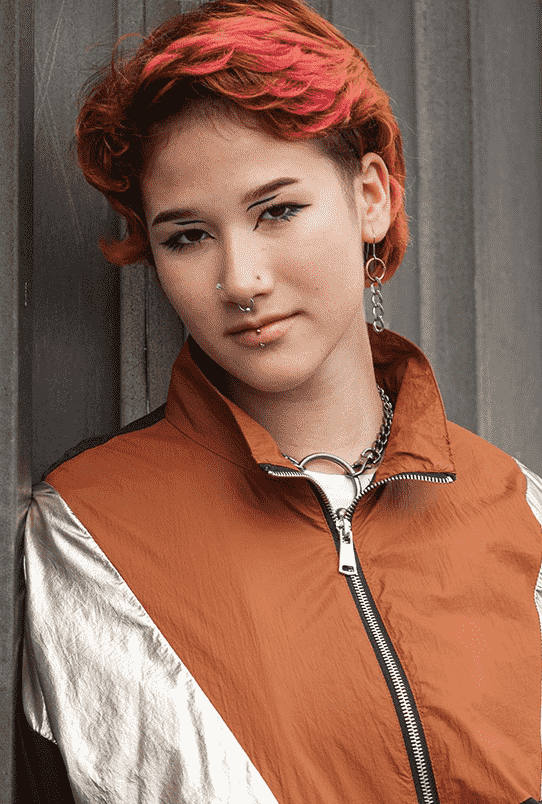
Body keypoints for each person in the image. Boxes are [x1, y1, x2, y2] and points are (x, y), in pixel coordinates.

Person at [20, 0, 542, 801]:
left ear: (371, 198)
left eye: (278, 211)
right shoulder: (92, 532)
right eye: (188, 236)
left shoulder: (519, 510)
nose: (241, 280)